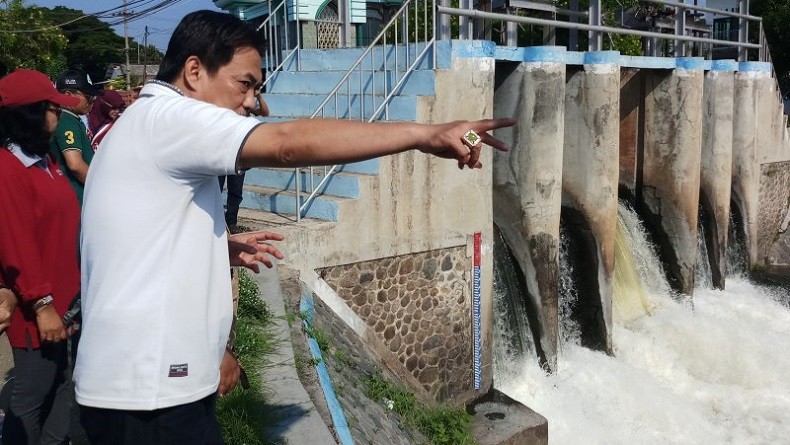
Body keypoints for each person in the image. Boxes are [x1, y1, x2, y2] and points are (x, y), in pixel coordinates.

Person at [74, 10, 515, 444]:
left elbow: (138, 237)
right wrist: (426, 135)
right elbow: (285, 144)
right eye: (244, 84)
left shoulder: (145, 124)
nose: (250, 101)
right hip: (149, 396)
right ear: (194, 71)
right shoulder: (170, 120)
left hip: (138, 389)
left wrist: (212, 247)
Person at [0, 68, 82, 445]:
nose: (59, 115)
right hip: (39, 311)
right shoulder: (8, 169)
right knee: (32, 395)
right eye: (52, 108)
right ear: (31, 113)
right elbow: (15, 242)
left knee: (66, 386)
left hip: (68, 300)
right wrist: (42, 303)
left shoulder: (46, 162)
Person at [50, 69, 98, 205]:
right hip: (75, 198)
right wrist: (98, 186)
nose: (91, 101)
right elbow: (75, 164)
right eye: (88, 96)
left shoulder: (71, 119)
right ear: (68, 95)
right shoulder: (67, 121)